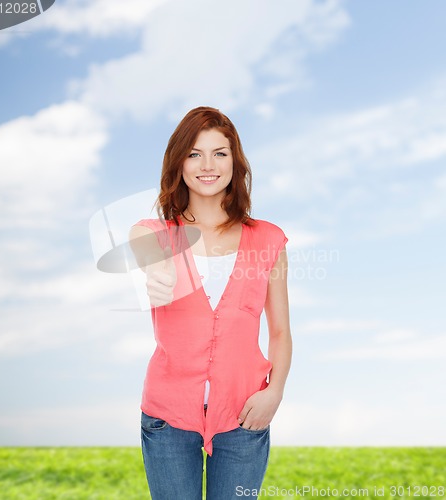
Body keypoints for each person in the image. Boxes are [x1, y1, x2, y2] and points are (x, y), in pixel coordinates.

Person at [129, 106, 292, 499]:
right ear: (179, 162)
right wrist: (157, 275)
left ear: (235, 162)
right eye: (194, 153)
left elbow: (281, 331)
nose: (208, 165)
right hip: (167, 418)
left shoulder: (268, 240)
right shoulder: (155, 233)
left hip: (244, 416)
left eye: (220, 153)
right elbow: (145, 251)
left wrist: (275, 392)